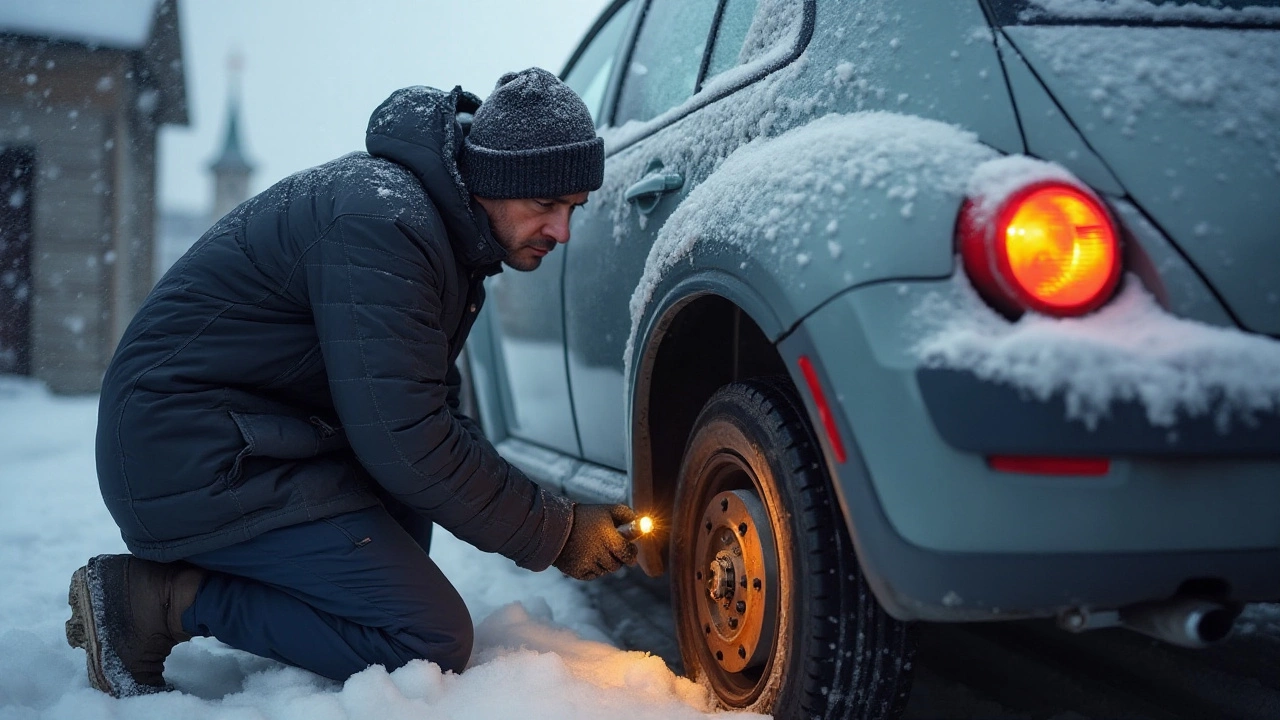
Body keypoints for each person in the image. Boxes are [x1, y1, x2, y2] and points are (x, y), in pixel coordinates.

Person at [66, 68, 637, 698]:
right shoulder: (384, 225)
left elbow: (426, 411)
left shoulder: (434, 229)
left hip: (247, 437)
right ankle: (159, 599)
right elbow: (408, 441)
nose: (562, 232)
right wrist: (554, 531)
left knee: (404, 532)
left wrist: (541, 512)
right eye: (546, 206)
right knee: (427, 638)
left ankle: (249, 577)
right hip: (185, 450)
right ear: (497, 183)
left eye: (574, 210)